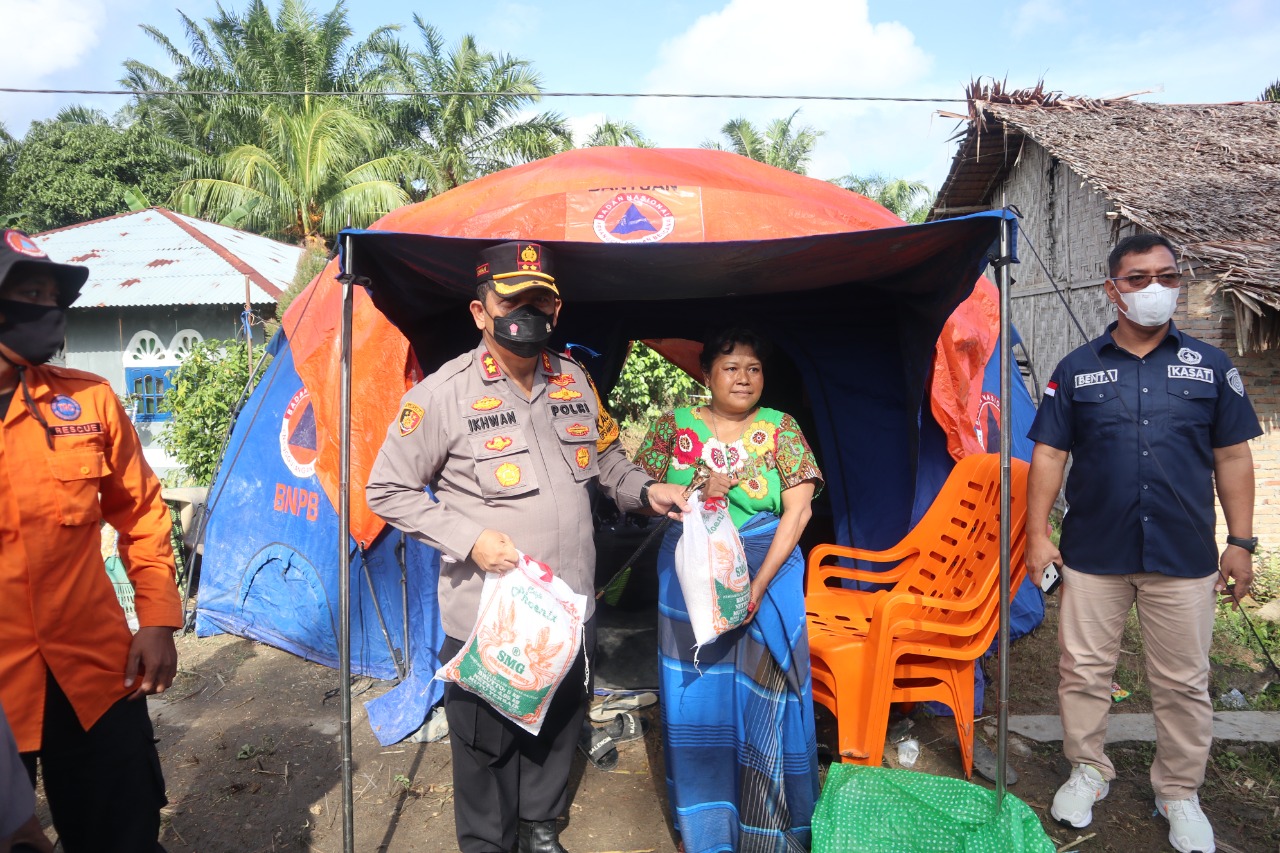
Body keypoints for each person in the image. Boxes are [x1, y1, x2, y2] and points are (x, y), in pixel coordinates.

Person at [365, 241, 689, 853]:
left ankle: (541, 827)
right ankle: (490, 844)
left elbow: (608, 463)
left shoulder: (575, 380)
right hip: (491, 616)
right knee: (486, 742)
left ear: (556, 310)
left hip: (568, 605)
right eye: (512, 301)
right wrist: (469, 539)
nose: (527, 314)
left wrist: (650, 492)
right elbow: (387, 490)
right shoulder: (442, 394)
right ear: (480, 312)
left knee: (558, 722)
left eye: (540, 302)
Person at [1026, 233, 1260, 853]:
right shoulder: (1077, 369)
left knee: (1184, 681)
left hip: (1183, 555)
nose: (1154, 288)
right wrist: (1036, 535)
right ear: (1113, 289)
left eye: (1167, 276)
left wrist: (1241, 542)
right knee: (1083, 672)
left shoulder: (1211, 367)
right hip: (1093, 552)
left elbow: (1233, 456)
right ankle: (1088, 770)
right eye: (1138, 278)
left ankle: (1179, 791)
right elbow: (1048, 455)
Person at [0, 229, 181, 852]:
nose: (49, 310)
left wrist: (156, 620)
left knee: (123, 836)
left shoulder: (88, 400)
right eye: (30, 294)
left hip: (96, 671)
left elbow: (142, 512)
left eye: (55, 297)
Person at [633, 327, 823, 853]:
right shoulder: (674, 426)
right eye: (731, 367)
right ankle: (708, 828)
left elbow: (799, 512)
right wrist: (694, 487)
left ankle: (769, 828)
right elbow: (639, 494)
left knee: (767, 696)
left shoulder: (782, 428)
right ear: (706, 373)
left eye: (753, 368)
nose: (744, 378)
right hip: (691, 576)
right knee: (698, 699)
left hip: (769, 568)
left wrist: (756, 584)